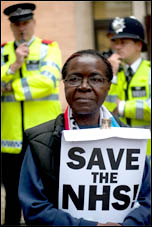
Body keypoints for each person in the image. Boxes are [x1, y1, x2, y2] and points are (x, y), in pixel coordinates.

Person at [18, 49, 151, 226]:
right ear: (64, 84)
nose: (84, 86)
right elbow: (34, 209)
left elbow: (148, 201)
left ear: (108, 86)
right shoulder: (40, 142)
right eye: (74, 79)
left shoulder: (131, 139)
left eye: (96, 79)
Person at [1, 3, 62, 225]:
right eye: (16, 24)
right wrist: (14, 65)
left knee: (46, 193)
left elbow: (48, 81)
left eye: (25, 22)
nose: (21, 27)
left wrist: (10, 87)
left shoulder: (49, 48)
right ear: (11, 26)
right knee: (12, 197)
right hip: (9, 141)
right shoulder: (3, 51)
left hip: (43, 136)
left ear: (34, 23)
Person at [103, 16, 151, 157]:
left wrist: (122, 106)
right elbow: (104, 110)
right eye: (116, 42)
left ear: (139, 45)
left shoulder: (149, 71)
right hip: (119, 153)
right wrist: (112, 76)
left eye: (123, 42)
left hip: (147, 152)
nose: (117, 47)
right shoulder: (113, 72)